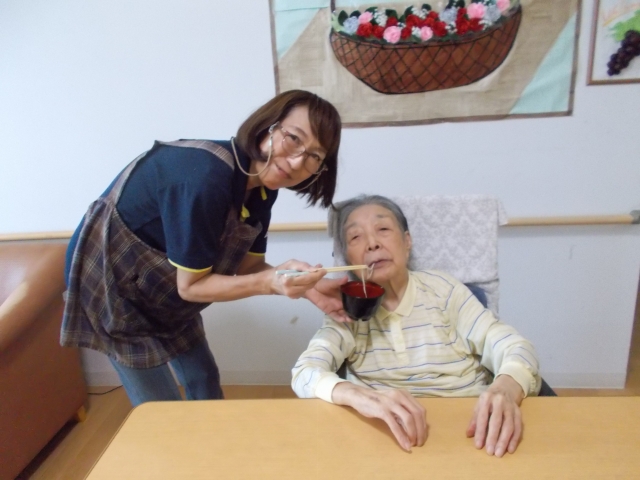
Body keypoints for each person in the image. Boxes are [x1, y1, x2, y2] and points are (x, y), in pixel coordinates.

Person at [62, 90, 348, 406]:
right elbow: (192, 286)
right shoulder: (205, 177)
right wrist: (270, 283)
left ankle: (211, 436)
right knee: (161, 407)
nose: (296, 162)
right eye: (293, 139)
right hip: (112, 281)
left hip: (166, 287)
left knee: (203, 377)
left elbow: (250, 268)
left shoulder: (262, 189)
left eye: (314, 157)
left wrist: (307, 286)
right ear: (267, 126)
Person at [292, 195, 541, 456]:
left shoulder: (444, 290)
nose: (372, 243)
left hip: (472, 428)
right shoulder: (347, 308)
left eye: (383, 229)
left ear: (407, 241)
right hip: (388, 436)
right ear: (347, 258)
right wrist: (357, 395)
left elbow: (514, 346)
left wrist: (505, 388)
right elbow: (304, 372)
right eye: (356, 237)